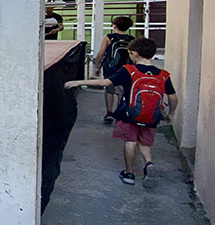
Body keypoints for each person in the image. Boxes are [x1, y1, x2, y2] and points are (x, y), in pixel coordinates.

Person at [65, 37, 177, 188]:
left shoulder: (129, 71)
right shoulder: (163, 75)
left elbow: (106, 82)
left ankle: (129, 173)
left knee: (130, 141)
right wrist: (171, 113)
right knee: (144, 142)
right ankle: (149, 164)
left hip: (128, 113)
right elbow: (172, 96)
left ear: (133, 53)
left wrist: (79, 82)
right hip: (151, 115)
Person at [93, 16, 134, 124]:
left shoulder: (109, 37)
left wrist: (97, 65)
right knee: (122, 90)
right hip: (125, 68)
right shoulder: (132, 39)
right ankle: (119, 113)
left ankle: (109, 113)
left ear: (114, 26)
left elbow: (100, 53)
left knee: (109, 89)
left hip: (110, 66)